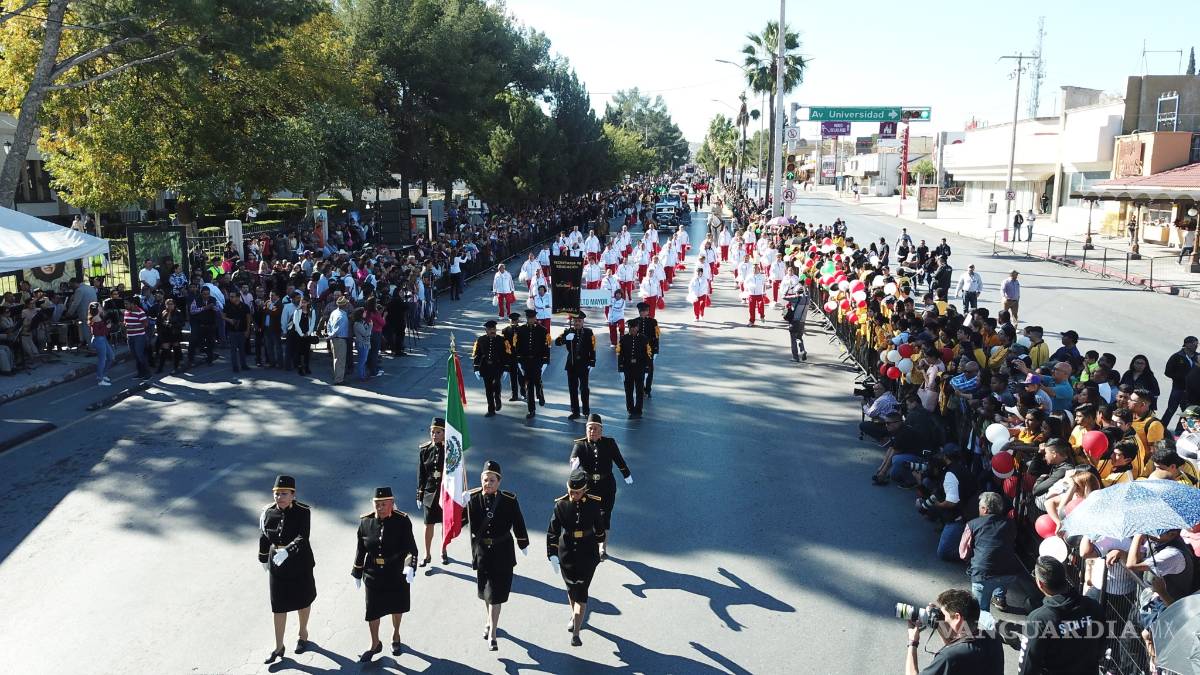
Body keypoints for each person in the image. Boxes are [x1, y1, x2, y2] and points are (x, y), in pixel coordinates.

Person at [462, 460, 529, 651]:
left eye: (492, 480)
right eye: (485, 480)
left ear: (499, 482)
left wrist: (522, 542)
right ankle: (490, 621)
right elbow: (459, 524)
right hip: (482, 552)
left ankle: (492, 633)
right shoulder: (473, 499)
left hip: (502, 552)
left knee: (495, 595)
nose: (488, 483)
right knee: (486, 593)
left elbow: (518, 521)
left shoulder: (508, 500)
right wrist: (460, 505)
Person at [351, 486, 418, 662]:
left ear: (392, 504)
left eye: (383, 504)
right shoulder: (365, 522)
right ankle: (374, 643)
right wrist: (357, 572)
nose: (379, 507)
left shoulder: (402, 521)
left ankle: (396, 635)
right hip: (373, 573)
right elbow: (360, 549)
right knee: (372, 610)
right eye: (376, 504)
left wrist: (411, 566)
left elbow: (411, 548)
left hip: (396, 571)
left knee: (397, 606)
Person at [258, 475, 316, 664]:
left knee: (303, 601)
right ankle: (278, 647)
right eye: (276, 494)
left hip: (299, 562)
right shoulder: (268, 512)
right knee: (278, 606)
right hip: (277, 565)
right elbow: (265, 534)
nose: (279, 497)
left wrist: (288, 552)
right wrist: (263, 557)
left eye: (284, 494)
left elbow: (302, 537)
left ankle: (302, 633)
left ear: (293, 495)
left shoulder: (302, 512)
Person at [547, 467, 607, 647]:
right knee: (571, 589)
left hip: (587, 553)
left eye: (577, 492)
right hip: (567, 553)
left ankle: (576, 632)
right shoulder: (561, 505)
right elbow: (553, 532)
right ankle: (575, 615)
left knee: (581, 592)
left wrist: (600, 544)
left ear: (584, 490)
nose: (574, 495)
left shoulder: (594, 504)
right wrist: (552, 554)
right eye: (571, 491)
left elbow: (600, 528)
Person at [1017, 556, 1104, 675]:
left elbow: (1028, 666)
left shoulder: (1038, 620)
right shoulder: (1093, 607)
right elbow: (1101, 649)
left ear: (1041, 584)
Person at [569, 414, 632, 558]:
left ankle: (602, 547)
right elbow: (574, 457)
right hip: (589, 487)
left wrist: (626, 474)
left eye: (595, 429)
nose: (592, 432)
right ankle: (589, 543)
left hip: (607, 485)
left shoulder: (609, 443)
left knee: (605, 516)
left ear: (601, 430)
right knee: (588, 515)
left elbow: (619, 460)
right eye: (590, 429)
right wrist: (574, 463)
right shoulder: (580, 444)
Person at [904, 589, 1004, 675]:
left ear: (957, 617)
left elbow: (953, 651)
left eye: (944, 615)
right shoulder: (994, 637)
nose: (942, 618)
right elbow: (956, 645)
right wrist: (939, 624)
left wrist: (913, 642)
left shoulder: (948, 657)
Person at [959, 492, 1024, 615]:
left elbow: (963, 552)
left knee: (980, 610)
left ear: (984, 509)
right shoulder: (1010, 523)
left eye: (979, 506)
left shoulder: (972, 524)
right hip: (1009, 571)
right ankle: (999, 598)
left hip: (983, 572)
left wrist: (971, 559)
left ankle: (981, 630)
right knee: (1002, 577)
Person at [416, 417, 449, 565]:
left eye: (438, 432)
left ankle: (443, 551)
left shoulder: (450, 450)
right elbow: (421, 473)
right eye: (432, 432)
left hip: (444, 493)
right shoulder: (425, 450)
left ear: (444, 433)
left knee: (444, 524)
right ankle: (427, 554)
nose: (434, 435)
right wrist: (420, 494)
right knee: (428, 524)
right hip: (429, 493)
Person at [555, 311, 596, 420]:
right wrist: (565, 338)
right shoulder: (568, 331)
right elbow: (557, 343)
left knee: (584, 389)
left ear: (583, 321)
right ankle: (575, 411)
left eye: (579, 321)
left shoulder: (588, 332)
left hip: (583, 364)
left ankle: (586, 410)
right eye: (575, 321)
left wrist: (592, 362)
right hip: (571, 364)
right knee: (572, 389)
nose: (577, 323)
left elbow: (593, 348)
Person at [513, 308, 551, 418]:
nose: (530, 320)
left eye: (532, 318)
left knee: (537, 381)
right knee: (529, 385)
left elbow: (546, 346)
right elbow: (517, 346)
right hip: (525, 360)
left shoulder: (542, 330)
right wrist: (519, 360)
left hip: (537, 360)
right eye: (528, 318)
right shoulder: (520, 330)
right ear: (527, 318)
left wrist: (545, 361)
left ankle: (540, 394)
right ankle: (531, 410)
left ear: (535, 318)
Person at [617, 320, 651, 419]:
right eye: (631, 327)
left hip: (639, 367)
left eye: (635, 327)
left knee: (639, 390)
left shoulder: (643, 339)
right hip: (628, 368)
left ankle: (639, 409)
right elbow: (620, 354)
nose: (633, 329)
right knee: (628, 390)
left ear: (638, 328)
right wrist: (620, 369)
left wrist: (647, 369)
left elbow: (647, 354)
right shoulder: (624, 339)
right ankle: (630, 409)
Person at [1163, 337, 1197, 432]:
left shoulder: (1198, 357)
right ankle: (1160, 429)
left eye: (1197, 344)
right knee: (1170, 410)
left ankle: (1180, 432)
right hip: (1178, 389)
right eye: (1194, 343)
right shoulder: (1177, 356)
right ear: (1186, 344)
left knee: (1188, 413)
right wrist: (1181, 378)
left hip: (1191, 391)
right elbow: (1167, 372)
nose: (1196, 345)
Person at [627, 302, 660, 398]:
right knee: (639, 370)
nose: (643, 313)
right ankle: (641, 388)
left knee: (650, 370)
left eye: (645, 311)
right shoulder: (635, 321)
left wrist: (656, 350)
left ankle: (648, 389)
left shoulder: (653, 322)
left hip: (649, 349)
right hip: (638, 349)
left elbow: (656, 336)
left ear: (648, 311)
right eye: (641, 311)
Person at [87, 301, 116, 386]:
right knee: (103, 360)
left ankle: (103, 374)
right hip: (99, 340)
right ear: (97, 309)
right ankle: (100, 379)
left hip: (102, 339)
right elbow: (98, 333)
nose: (101, 307)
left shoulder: (98, 317)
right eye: (100, 306)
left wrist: (106, 327)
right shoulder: (96, 319)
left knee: (111, 357)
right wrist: (107, 327)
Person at [223, 291, 252, 374]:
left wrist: (248, 330)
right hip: (232, 331)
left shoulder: (245, 306)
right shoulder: (227, 306)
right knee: (233, 350)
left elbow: (248, 319)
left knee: (242, 349)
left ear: (238, 297)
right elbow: (223, 316)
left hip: (242, 331)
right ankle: (235, 366)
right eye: (230, 296)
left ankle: (243, 365)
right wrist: (230, 320)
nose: (231, 298)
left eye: (233, 296)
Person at [123, 295, 151, 379]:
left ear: (132, 304)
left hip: (139, 336)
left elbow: (145, 324)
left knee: (140, 355)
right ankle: (140, 373)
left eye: (127, 304)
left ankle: (147, 373)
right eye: (125, 304)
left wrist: (133, 327)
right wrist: (124, 325)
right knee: (135, 355)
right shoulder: (126, 312)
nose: (125, 305)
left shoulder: (140, 312)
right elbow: (126, 322)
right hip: (130, 336)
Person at [289, 295, 318, 376]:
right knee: (298, 352)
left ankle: (306, 366)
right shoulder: (297, 311)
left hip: (307, 334)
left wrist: (308, 333)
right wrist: (301, 334)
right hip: (298, 334)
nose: (303, 304)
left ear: (308, 302)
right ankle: (299, 368)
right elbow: (296, 324)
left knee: (306, 352)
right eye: (302, 302)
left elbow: (312, 324)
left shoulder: (312, 311)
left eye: (304, 302)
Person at [155, 298, 185, 374]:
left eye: (171, 304)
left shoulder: (178, 312)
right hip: (166, 334)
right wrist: (162, 326)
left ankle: (176, 367)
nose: (170, 306)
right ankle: (160, 367)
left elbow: (182, 323)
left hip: (175, 333)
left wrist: (172, 325)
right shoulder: (163, 312)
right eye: (168, 304)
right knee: (164, 350)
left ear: (174, 305)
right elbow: (158, 322)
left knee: (176, 349)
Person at [327, 295, 351, 385]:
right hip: (340, 339)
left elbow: (329, 324)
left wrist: (330, 335)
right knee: (340, 360)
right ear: (344, 305)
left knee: (336, 359)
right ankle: (339, 379)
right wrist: (332, 335)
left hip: (334, 339)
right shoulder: (342, 316)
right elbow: (337, 329)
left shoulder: (334, 312)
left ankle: (337, 376)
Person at [501, 312, 524, 401]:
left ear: (518, 320)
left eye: (515, 320)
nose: (514, 322)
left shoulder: (522, 329)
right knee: (513, 376)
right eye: (512, 320)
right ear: (509, 320)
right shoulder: (505, 330)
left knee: (522, 376)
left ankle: (523, 392)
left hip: (520, 356)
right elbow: (504, 345)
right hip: (511, 357)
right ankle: (514, 395)